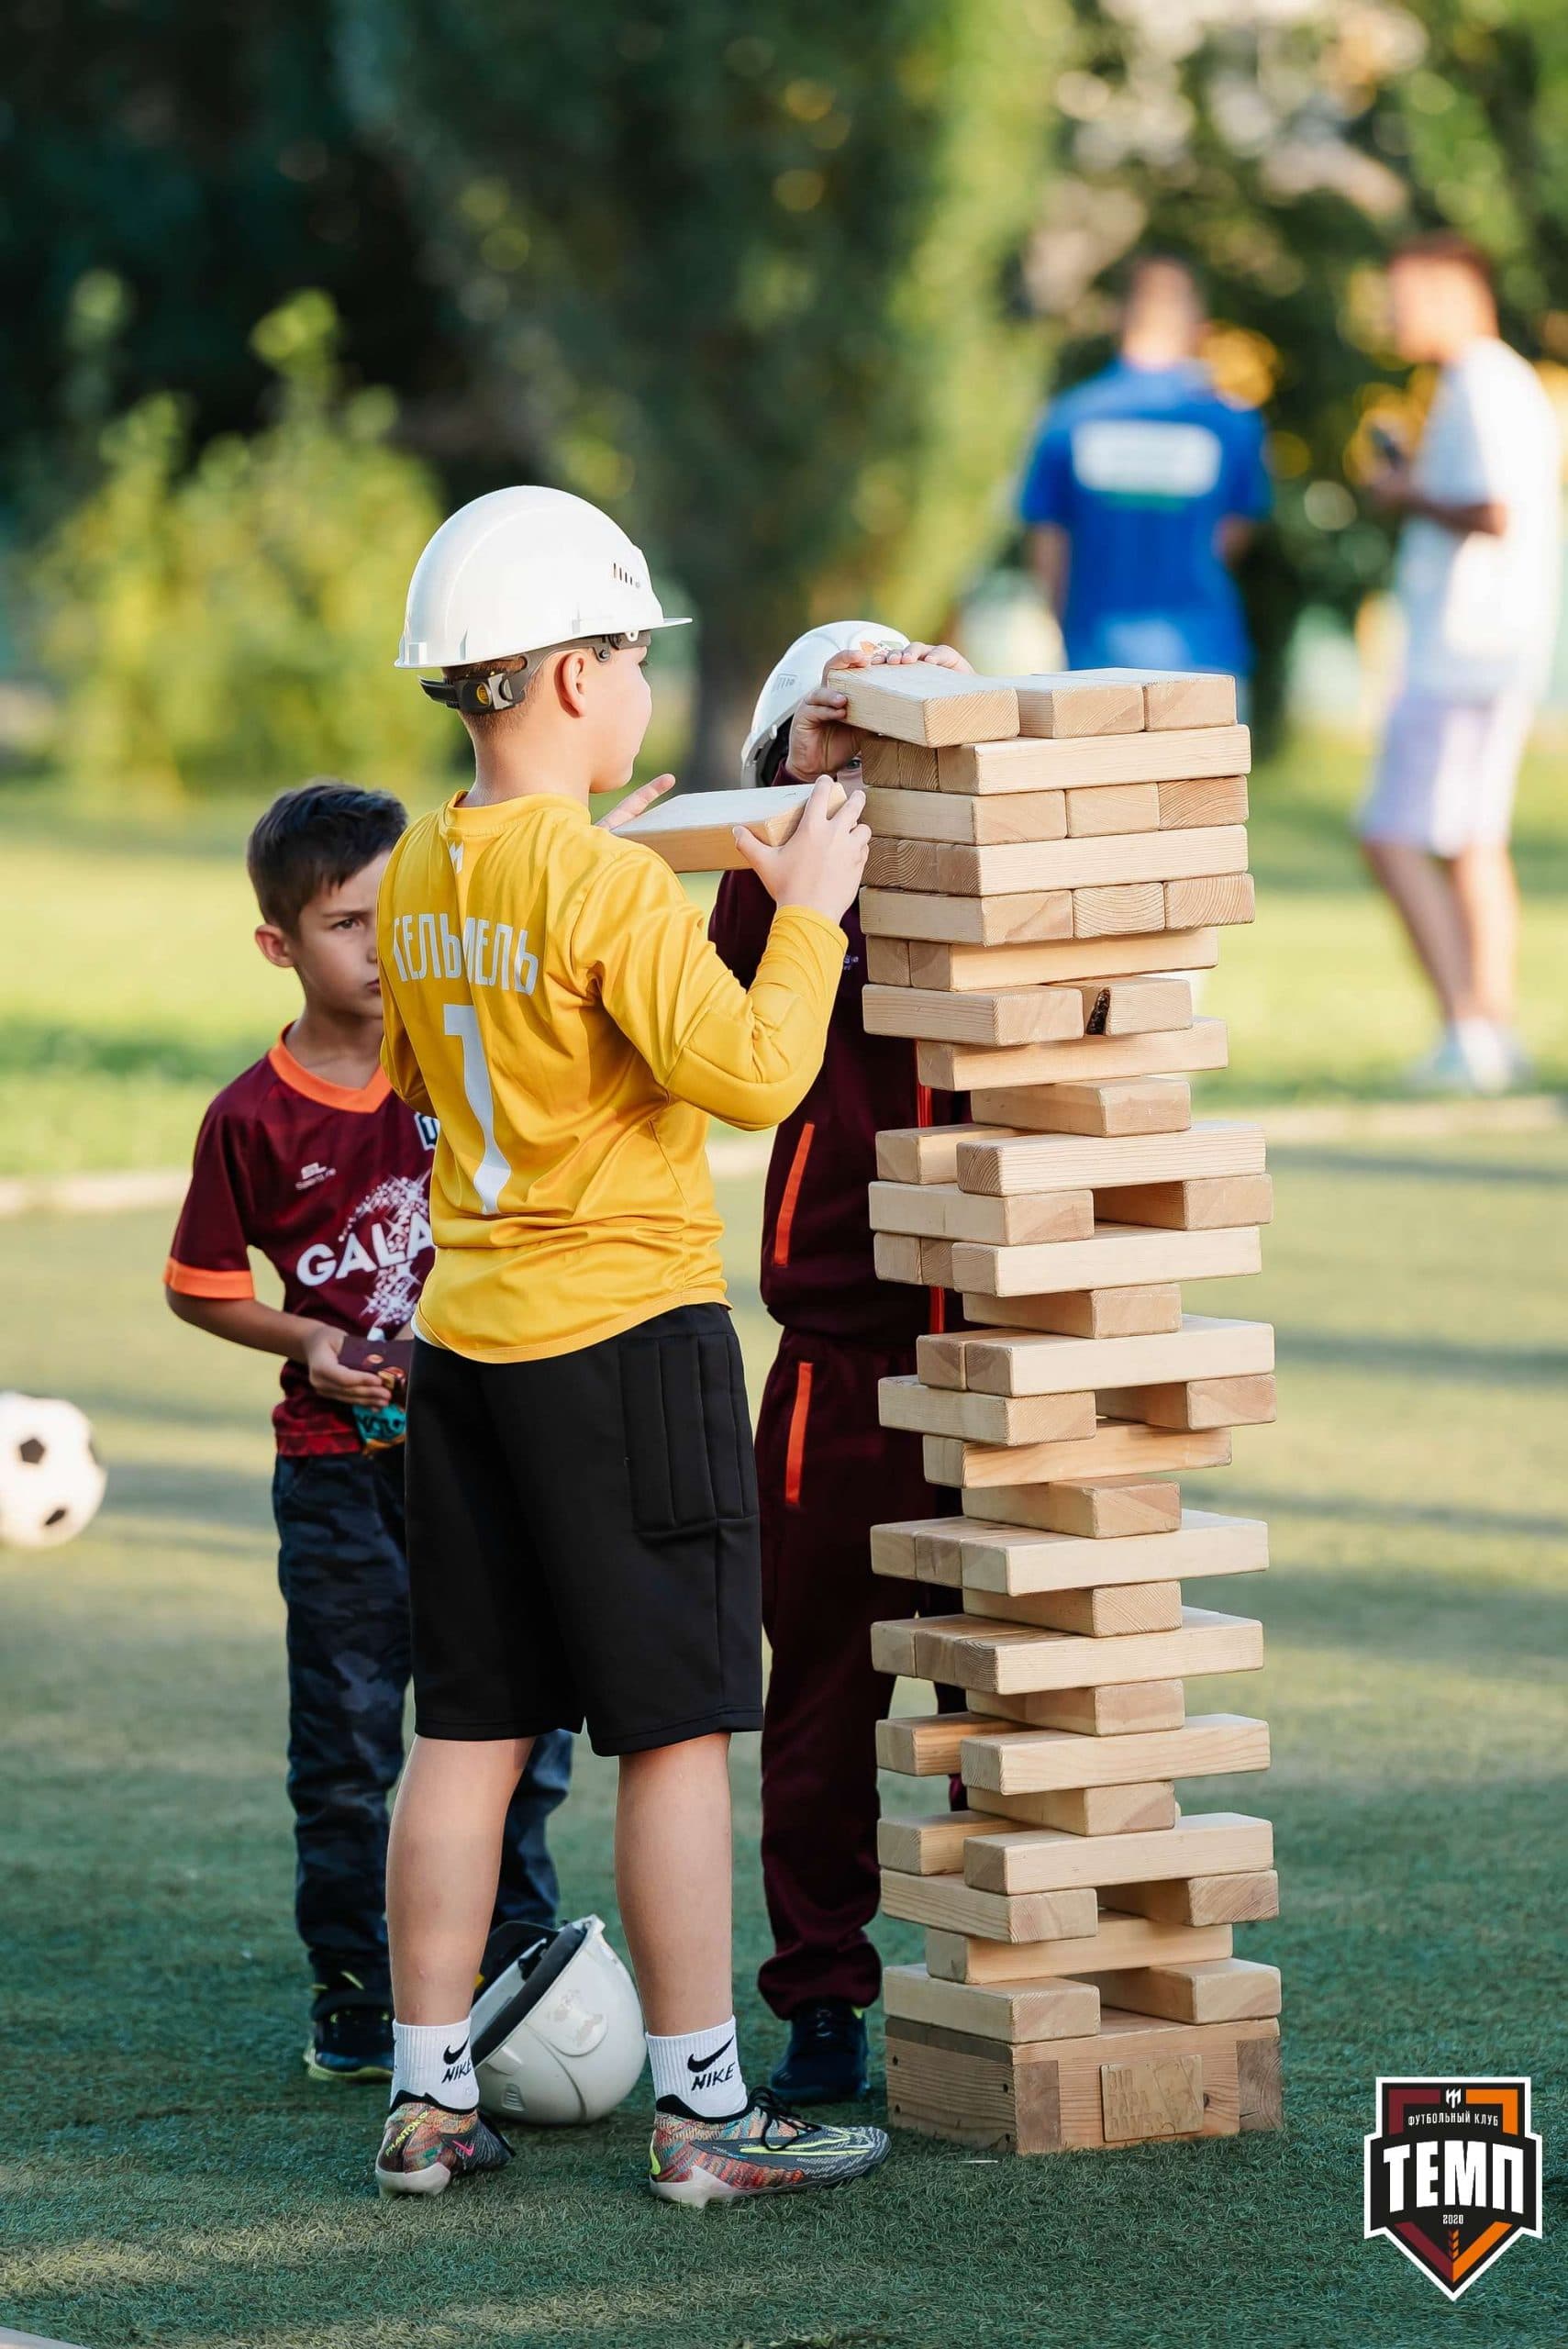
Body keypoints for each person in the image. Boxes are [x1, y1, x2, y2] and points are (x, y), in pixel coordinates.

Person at [372, 484, 890, 2206]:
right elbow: (748, 1073)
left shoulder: (426, 861)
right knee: (670, 1732)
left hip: (470, 1352)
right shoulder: (603, 889)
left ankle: (428, 2097)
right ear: (574, 676)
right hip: (624, 1348)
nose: (642, 678)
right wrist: (804, 909)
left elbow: (460, 1030)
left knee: (467, 1732)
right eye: (631, 652)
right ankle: (706, 2118)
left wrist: (614, 864)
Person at [164, 780, 573, 2084]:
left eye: (401, 918)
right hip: (338, 1479)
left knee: (518, 1722)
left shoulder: (461, 1067)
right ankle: (352, 1985)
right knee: (345, 1747)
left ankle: (512, 1953)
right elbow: (201, 1282)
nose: (385, 950)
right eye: (350, 925)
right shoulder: (252, 1116)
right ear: (280, 946)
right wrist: (311, 1346)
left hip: (484, 1461)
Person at [710, 625, 971, 2106]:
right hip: (839, 1371)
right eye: (830, 736)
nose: (858, 760)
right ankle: (820, 1999)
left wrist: (951, 713)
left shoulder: (990, 878)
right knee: (818, 1697)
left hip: (1007, 1357)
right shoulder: (779, 891)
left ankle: (1006, 1975)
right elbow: (746, 954)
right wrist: (816, 758)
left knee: (1004, 1696)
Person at [1357, 231, 1562, 1095]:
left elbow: (1496, 511)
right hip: (1490, 651)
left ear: (1451, 290)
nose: (1391, 315)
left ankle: (1464, 1028)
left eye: (1402, 295)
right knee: (1471, 842)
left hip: (1465, 652)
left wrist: (1403, 494)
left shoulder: (1480, 381)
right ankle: (1489, 1027)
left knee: (1391, 834)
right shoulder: (1495, 381)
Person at [1019, 252, 1270, 698]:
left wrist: (1063, 624)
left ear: (1121, 315)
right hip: (1203, 653)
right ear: (1197, 323)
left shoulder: (1070, 416)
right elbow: (1233, 533)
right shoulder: (1232, 424)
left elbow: (1049, 543)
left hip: (1096, 656)